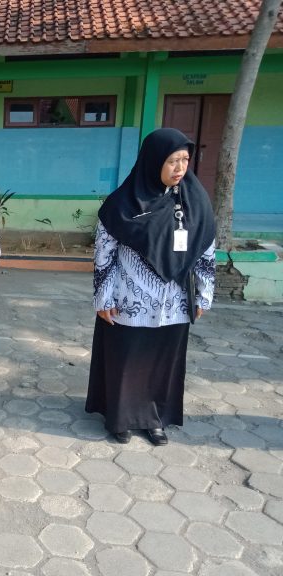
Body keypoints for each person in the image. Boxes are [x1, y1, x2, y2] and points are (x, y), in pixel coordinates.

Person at [86, 127, 216, 446]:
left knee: (162, 361)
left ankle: (155, 419)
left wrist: (203, 294)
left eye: (184, 160)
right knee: (126, 359)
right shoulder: (123, 203)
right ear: (153, 161)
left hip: (174, 302)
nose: (180, 168)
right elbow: (104, 253)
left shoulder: (195, 200)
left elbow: (206, 248)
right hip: (129, 300)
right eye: (172, 161)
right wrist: (104, 298)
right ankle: (121, 418)